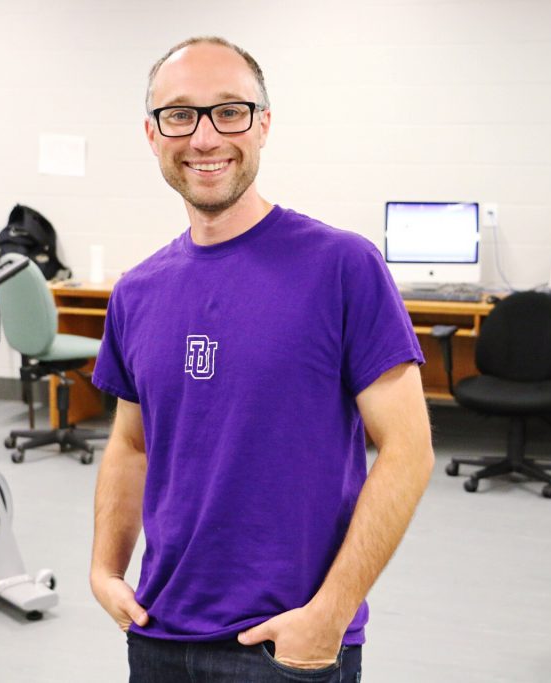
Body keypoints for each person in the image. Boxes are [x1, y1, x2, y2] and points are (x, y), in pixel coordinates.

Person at [90, 36, 435, 682]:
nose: (204, 136)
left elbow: (409, 450)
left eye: (230, 111)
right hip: (157, 633)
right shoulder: (136, 293)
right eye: (179, 114)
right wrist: (104, 569)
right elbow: (130, 445)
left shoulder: (342, 267)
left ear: (264, 123)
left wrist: (330, 613)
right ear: (151, 133)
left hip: (287, 645)